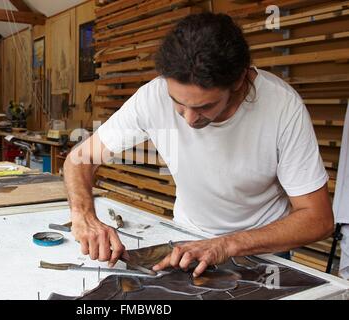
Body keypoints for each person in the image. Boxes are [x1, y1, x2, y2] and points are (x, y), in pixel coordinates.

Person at [63, 13, 334, 277]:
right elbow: (80, 158)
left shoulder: (283, 107)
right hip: (186, 242)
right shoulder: (152, 96)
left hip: (263, 253)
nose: (189, 119)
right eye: (177, 102)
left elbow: (317, 219)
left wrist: (226, 244)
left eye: (205, 106)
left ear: (239, 80)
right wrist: (84, 215)